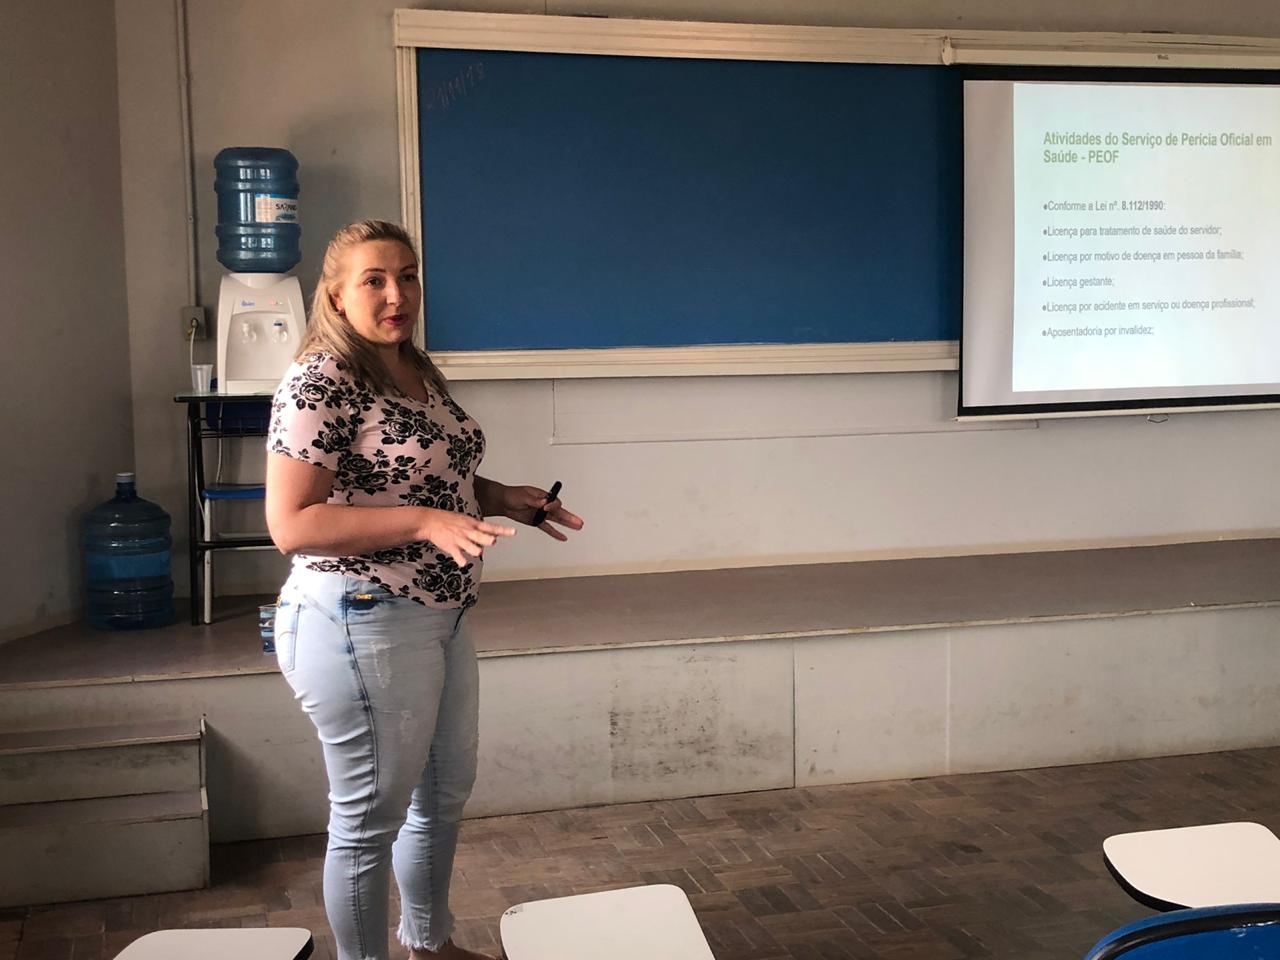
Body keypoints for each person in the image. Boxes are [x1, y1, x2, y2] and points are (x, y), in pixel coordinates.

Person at [265, 219, 583, 960]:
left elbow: (425, 474)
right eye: (374, 280)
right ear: (336, 297)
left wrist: (501, 498)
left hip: (441, 613)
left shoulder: (411, 366)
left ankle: (428, 947)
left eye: (406, 276)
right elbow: (291, 523)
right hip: (360, 616)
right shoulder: (320, 379)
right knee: (367, 822)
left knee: (440, 796)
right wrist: (425, 522)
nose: (396, 294)